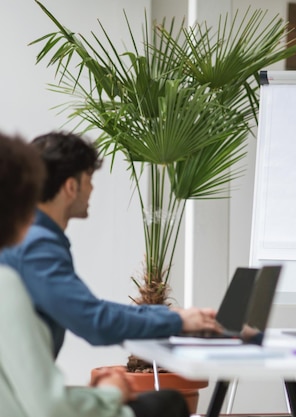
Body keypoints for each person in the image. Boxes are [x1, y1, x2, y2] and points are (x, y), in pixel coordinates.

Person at [0, 132, 189, 417]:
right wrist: (176, 320)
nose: (92, 189)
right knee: (168, 404)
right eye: (90, 179)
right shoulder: (30, 253)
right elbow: (93, 319)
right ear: (70, 186)